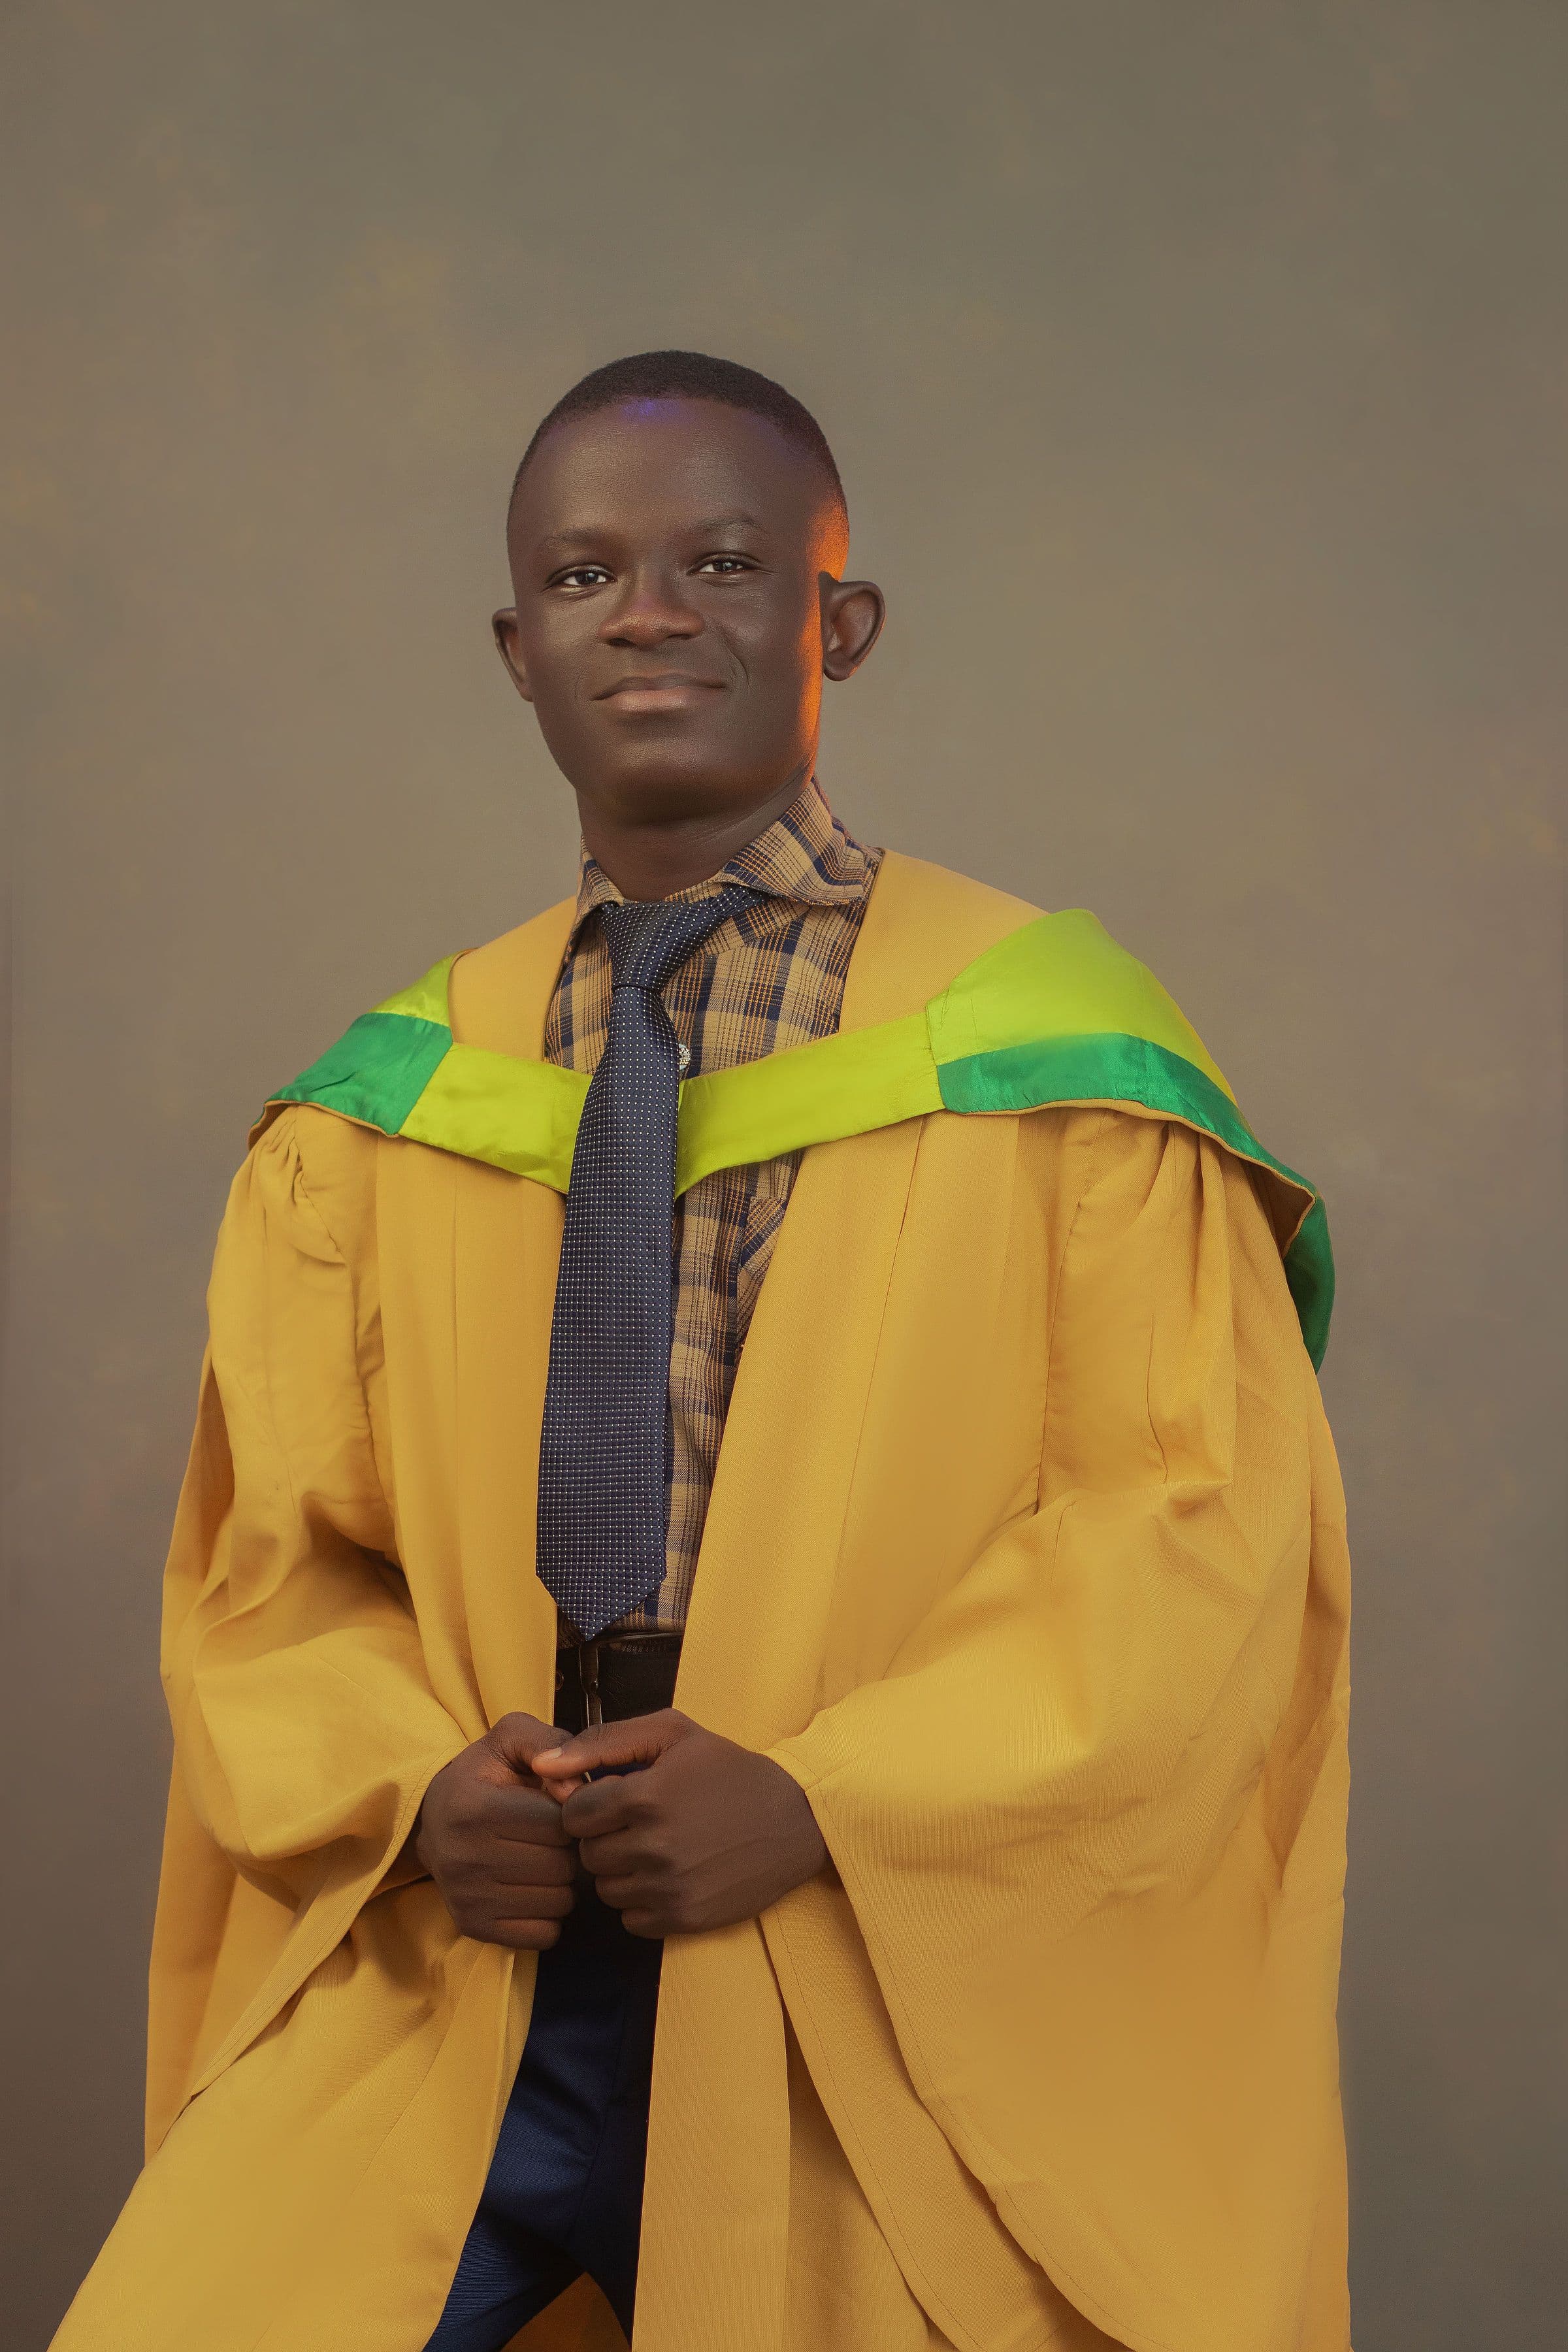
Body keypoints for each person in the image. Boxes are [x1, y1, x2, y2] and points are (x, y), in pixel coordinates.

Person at [53, 352, 1351, 2352]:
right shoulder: (388, 1101)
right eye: (586, 576)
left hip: (869, 1956)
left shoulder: (1059, 1065)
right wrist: (416, 1791)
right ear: (518, 648)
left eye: (723, 563)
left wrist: (831, 1797)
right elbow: (279, 1563)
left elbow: (1184, 1533)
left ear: (841, 624)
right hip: (481, 1932)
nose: (650, 613)